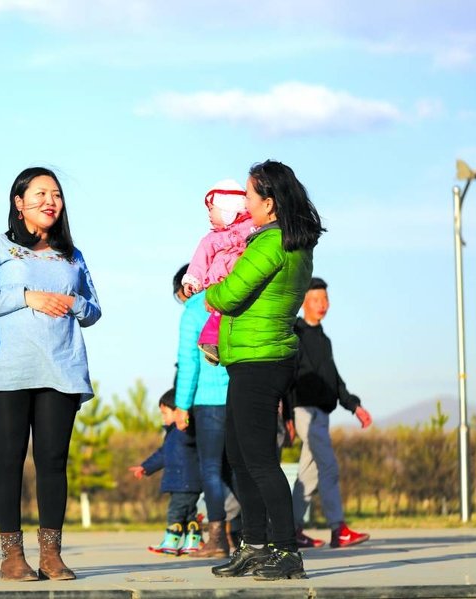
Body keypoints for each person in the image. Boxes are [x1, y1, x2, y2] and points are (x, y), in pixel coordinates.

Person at [0, 166, 101, 582]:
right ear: (19, 202)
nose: (50, 201)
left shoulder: (72, 255)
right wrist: (28, 297)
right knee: (8, 460)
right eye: (41, 193)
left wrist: (71, 302)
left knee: (53, 461)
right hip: (6, 370)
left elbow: (93, 310)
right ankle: (11, 557)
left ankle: (51, 554)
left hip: (61, 367)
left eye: (56, 194)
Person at [205, 160, 324, 581]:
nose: (246, 204)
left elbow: (230, 293)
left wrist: (212, 291)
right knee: (240, 455)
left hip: (260, 359)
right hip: (255, 358)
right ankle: (254, 545)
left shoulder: (270, 243)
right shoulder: (290, 242)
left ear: (269, 204)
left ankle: (287, 551)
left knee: (258, 460)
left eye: (252, 196)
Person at [288, 277, 372, 549]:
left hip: (322, 413)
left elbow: (334, 380)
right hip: (303, 411)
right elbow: (287, 379)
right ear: (304, 302)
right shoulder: (295, 334)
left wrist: (354, 406)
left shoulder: (323, 339)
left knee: (308, 473)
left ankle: (291, 529)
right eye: (315, 299)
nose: (322, 304)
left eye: (325, 299)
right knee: (329, 467)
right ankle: (339, 529)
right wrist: (287, 416)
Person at [172, 263, 237, 559]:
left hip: (209, 401)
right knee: (240, 469)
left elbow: (190, 364)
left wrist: (182, 406)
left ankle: (217, 540)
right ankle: (251, 536)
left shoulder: (194, 310)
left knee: (211, 469)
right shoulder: (235, 299)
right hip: (239, 398)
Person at [181, 180, 254, 365]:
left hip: (242, 282)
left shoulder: (253, 227)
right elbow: (200, 260)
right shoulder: (212, 239)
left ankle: (219, 344)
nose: (209, 215)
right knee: (218, 316)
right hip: (221, 284)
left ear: (227, 209)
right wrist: (193, 279)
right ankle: (213, 345)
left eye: (212, 209)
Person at [129, 389, 203, 556]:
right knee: (188, 513)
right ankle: (193, 542)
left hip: (185, 482)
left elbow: (191, 438)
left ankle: (171, 542)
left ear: (179, 411)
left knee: (175, 512)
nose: (163, 418)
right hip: (182, 482)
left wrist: (186, 421)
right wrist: (146, 466)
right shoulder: (171, 435)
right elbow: (163, 454)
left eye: (165, 413)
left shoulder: (186, 431)